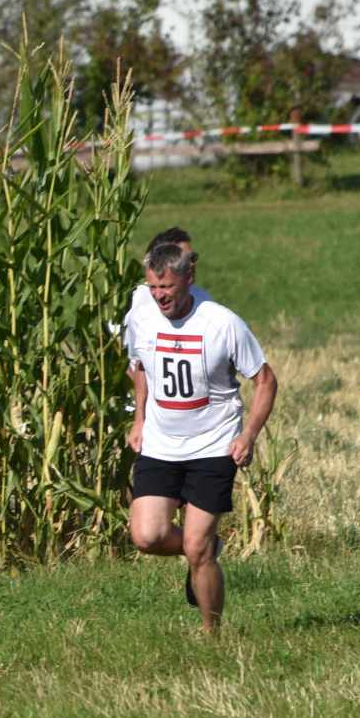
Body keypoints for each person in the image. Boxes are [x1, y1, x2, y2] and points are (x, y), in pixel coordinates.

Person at [126, 244, 278, 633]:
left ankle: (211, 635)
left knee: (196, 548)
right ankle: (209, 548)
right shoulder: (142, 318)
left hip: (213, 445)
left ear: (189, 279)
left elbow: (264, 381)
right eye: (153, 287)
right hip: (160, 445)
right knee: (146, 536)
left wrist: (248, 435)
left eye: (166, 287)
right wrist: (139, 419)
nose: (159, 295)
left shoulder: (222, 323)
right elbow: (139, 368)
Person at [120, 226, 212, 379]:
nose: (191, 265)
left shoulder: (202, 297)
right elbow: (133, 363)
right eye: (184, 260)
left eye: (193, 258)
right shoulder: (141, 302)